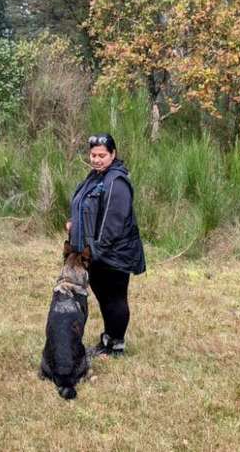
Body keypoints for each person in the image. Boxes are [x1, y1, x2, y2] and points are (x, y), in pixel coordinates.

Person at [66, 133, 146, 357]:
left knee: (115, 298)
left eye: (102, 155)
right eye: (93, 155)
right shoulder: (96, 177)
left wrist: (95, 250)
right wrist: (74, 223)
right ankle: (107, 340)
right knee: (104, 296)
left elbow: (113, 224)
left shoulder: (116, 182)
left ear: (113, 154)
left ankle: (116, 345)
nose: (97, 159)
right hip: (95, 253)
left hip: (114, 253)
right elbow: (88, 207)